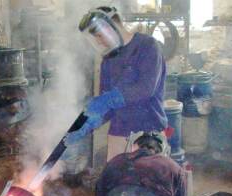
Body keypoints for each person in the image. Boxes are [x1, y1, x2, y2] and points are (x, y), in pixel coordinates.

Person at [65, 6, 167, 161]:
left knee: (144, 182)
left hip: (147, 133)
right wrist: (89, 122)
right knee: (115, 182)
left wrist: (109, 99)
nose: (99, 41)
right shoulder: (108, 59)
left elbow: (146, 88)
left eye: (100, 36)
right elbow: (106, 107)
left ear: (111, 27)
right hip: (119, 132)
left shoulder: (147, 46)